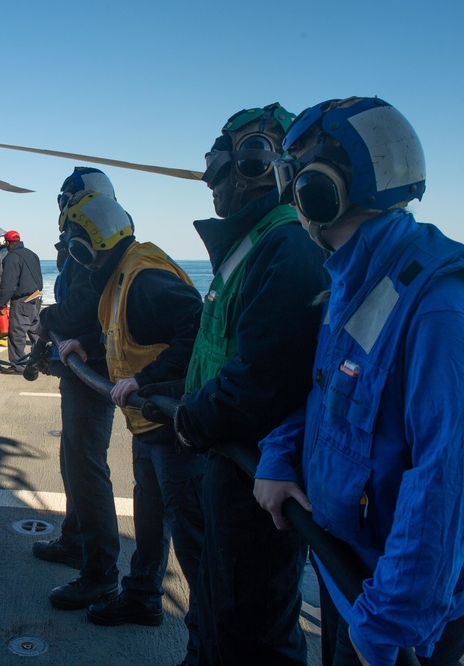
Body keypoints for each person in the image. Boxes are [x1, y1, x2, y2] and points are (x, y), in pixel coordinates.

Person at [252, 97, 464, 666]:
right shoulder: (354, 282)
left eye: (293, 182)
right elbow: (327, 396)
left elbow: (449, 477)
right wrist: (279, 456)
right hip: (348, 565)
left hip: (400, 603)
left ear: (319, 191)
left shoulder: (440, 307)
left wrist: (388, 624)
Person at [168, 103, 330, 666]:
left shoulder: (286, 247)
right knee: (219, 610)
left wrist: (192, 419)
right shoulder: (253, 243)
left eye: (219, 176)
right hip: (227, 468)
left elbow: (265, 376)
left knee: (253, 630)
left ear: (257, 166)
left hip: (255, 480)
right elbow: (215, 342)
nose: (213, 190)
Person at [57, 189, 205, 666]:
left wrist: (147, 380)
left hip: (174, 423)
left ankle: (207, 648)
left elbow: (197, 326)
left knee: (192, 539)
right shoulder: (121, 275)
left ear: (92, 244)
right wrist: (83, 341)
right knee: (151, 511)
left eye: (77, 246)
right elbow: (122, 332)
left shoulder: (144, 280)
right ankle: (142, 596)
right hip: (149, 423)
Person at [31, 168, 119, 621]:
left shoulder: (91, 245)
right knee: (73, 459)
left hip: (93, 369)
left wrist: (49, 318)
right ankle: (74, 538)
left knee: (86, 466)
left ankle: (101, 571)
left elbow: (81, 306)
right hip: (79, 366)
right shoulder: (81, 241)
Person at [0, 230, 43, 374]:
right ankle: (43, 359)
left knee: (16, 332)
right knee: (36, 332)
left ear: (8, 243)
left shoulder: (12, 257)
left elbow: (8, 284)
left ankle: (19, 365)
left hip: (23, 300)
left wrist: (1, 304)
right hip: (37, 296)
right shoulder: (32, 254)